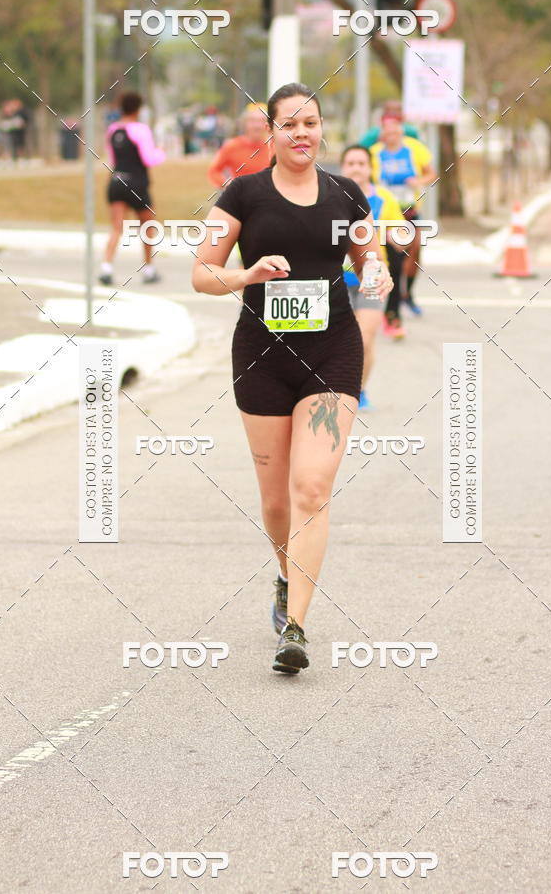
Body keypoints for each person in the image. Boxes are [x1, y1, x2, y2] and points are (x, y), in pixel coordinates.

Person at [192, 83, 393, 674]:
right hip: (262, 356)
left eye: (311, 122)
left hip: (332, 353)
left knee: (311, 488)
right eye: (290, 123)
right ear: (272, 132)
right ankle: (285, 576)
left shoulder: (347, 193)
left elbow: (370, 259)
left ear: (322, 129)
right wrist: (247, 274)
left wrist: (376, 274)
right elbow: (202, 273)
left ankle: (296, 627)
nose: (302, 133)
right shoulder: (244, 194)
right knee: (277, 499)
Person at [340, 145, 408, 410]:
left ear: (370, 168)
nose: (356, 168)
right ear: (343, 167)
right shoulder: (329, 195)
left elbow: (401, 234)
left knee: (363, 338)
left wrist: (397, 237)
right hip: (336, 278)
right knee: (335, 340)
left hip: (372, 275)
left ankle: (358, 389)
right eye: (350, 163)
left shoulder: (384, 198)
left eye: (361, 163)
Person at [368, 114, 437, 314]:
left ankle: (408, 293)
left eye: (395, 130)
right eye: (387, 131)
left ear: (401, 130)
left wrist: (418, 181)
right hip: (386, 212)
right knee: (391, 255)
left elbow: (431, 173)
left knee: (414, 251)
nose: (391, 134)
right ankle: (390, 300)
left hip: (409, 209)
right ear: (382, 133)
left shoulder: (414, 148)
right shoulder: (374, 152)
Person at [99, 91, 165, 286]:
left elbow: (112, 159)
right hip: (137, 183)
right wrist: (161, 153)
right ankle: (148, 268)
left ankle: (106, 267)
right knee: (147, 226)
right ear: (138, 109)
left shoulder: (113, 130)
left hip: (116, 181)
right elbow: (148, 159)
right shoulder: (141, 130)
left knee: (116, 227)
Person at [207, 103, 270, 188]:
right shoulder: (232, 146)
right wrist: (228, 184)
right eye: (253, 121)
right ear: (245, 123)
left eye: (262, 121)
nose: (257, 126)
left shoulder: (275, 147)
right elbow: (214, 171)